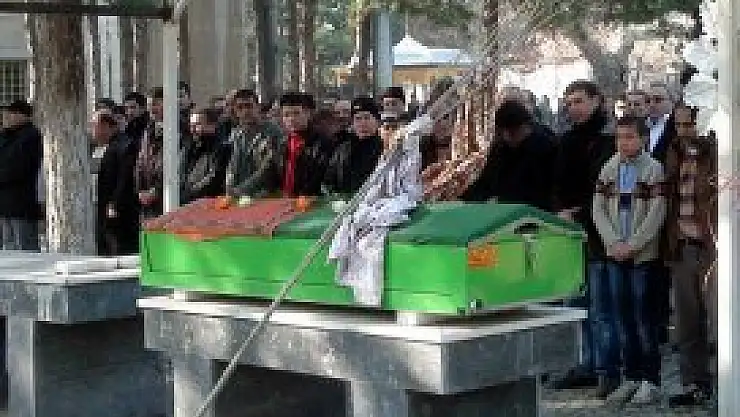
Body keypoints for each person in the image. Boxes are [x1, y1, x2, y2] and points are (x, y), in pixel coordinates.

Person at [592, 115, 666, 405]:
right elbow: (598, 208)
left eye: (630, 137)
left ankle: (651, 380)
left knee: (644, 319)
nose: (623, 143)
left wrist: (633, 245)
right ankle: (631, 376)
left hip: (641, 257)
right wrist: (612, 241)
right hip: (615, 253)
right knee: (622, 319)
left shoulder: (653, 169)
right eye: (619, 137)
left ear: (643, 139)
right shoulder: (609, 168)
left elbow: (656, 213)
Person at [552, 80, 616, 395]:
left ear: (595, 101)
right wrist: (560, 210)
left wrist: (579, 212)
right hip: (570, 232)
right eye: (569, 102)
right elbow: (557, 182)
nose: (573, 108)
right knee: (575, 305)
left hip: (598, 233)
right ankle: (583, 363)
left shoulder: (607, 139)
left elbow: (601, 186)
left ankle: (605, 369)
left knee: (601, 307)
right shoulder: (567, 139)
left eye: (579, 101)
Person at [664, 104, 717, 406]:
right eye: (679, 125)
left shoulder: (717, 153)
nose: (684, 131)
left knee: (720, 321)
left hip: (713, 248)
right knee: (687, 323)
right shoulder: (673, 152)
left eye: (690, 125)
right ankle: (694, 384)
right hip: (682, 245)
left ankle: (727, 387)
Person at [462, 100, 557, 210]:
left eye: (512, 133)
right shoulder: (501, 147)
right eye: (503, 132)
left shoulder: (546, 146)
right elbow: (486, 181)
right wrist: (464, 200)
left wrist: (503, 200)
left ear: (526, 126)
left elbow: (545, 190)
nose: (507, 137)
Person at [89, 110, 139, 255]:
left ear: (105, 126)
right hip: (103, 206)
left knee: (118, 248)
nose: (92, 131)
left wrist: (114, 204)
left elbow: (125, 178)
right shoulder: (104, 147)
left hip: (118, 211)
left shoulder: (124, 145)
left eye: (94, 126)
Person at [224, 89, 283, 198]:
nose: (245, 111)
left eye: (249, 106)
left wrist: (241, 190)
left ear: (258, 107)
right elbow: (231, 166)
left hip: (265, 194)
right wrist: (229, 187)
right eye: (240, 107)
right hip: (238, 195)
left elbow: (268, 169)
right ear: (235, 111)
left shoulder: (272, 132)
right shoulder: (235, 134)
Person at [0, 100, 42, 251]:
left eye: (10, 113)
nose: (6, 117)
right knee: (9, 247)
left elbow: (20, 167)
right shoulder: (7, 136)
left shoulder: (31, 136)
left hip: (22, 203)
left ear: (21, 115)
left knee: (25, 246)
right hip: (5, 204)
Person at [323, 96, 382, 196]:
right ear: (352, 123)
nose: (363, 123)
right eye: (358, 119)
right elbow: (328, 181)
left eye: (367, 118)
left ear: (377, 121)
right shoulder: (342, 149)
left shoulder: (385, 149)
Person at [180, 108, 232, 204]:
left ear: (212, 126)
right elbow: (181, 174)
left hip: (208, 203)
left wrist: (188, 194)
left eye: (197, 125)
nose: (193, 130)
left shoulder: (222, 149)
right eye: (191, 126)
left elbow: (213, 179)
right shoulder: (189, 149)